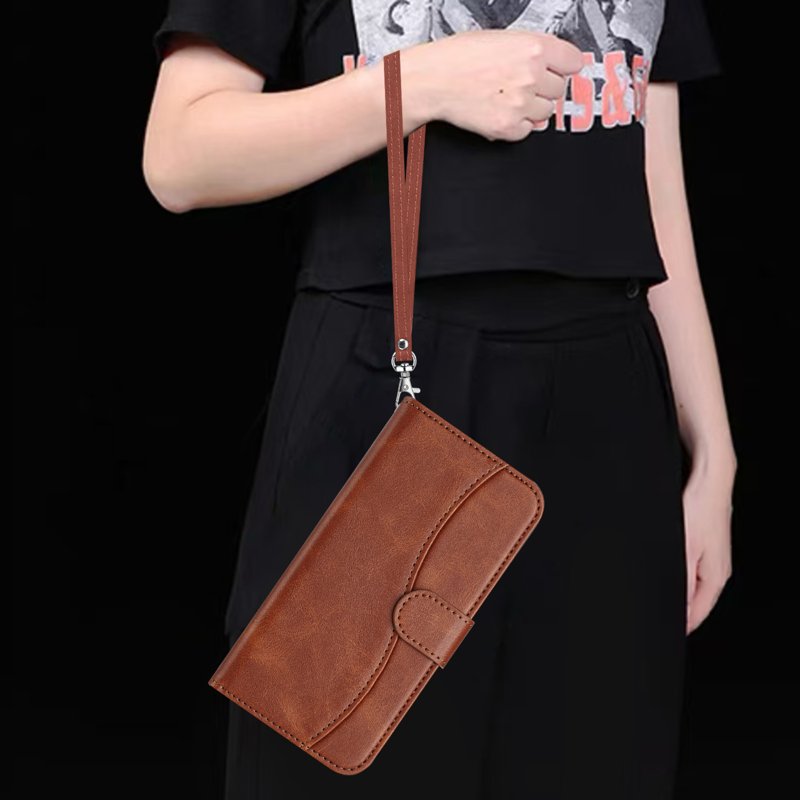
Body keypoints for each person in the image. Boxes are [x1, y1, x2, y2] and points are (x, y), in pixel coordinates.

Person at [143, 1, 736, 797]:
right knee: (341, 763)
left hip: (613, 407)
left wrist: (714, 454)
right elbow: (181, 156)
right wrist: (416, 84)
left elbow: (652, 179)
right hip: (393, 395)